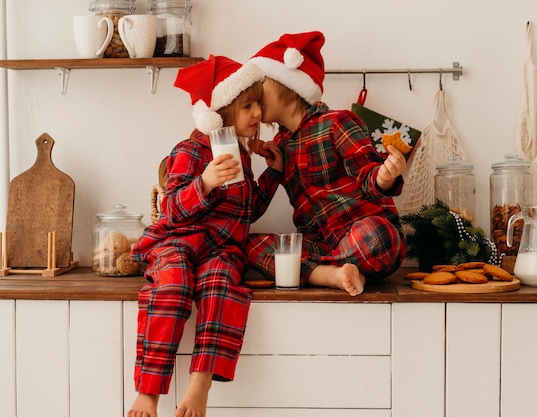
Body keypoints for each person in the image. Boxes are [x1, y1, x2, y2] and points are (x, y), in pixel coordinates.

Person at [127, 55, 283, 417]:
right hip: (179, 241)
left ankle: (200, 383)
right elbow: (173, 210)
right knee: (173, 285)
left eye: (258, 104)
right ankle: (149, 392)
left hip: (222, 249)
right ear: (219, 112)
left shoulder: (242, 157)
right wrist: (207, 181)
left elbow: (248, 210)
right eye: (247, 106)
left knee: (222, 284)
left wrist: (272, 174)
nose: (257, 113)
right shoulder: (189, 150)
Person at [246, 31, 407, 296]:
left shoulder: (337, 122)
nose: (253, 95)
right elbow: (253, 210)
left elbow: (368, 173)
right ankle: (332, 274)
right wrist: (274, 171)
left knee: (379, 236)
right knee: (248, 245)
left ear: (286, 84)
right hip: (320, 245)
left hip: (362, 236)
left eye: (258, 85)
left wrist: (385, 176)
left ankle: (313, 272)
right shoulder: (280, 145)